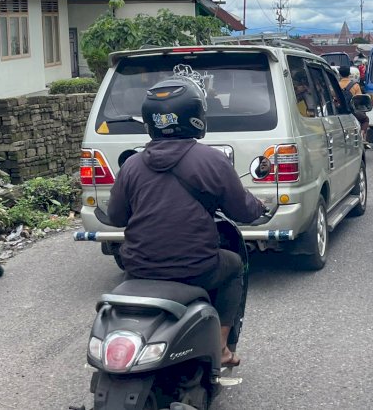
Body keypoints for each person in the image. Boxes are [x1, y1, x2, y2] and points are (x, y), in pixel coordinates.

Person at [106, 76, 266, 368]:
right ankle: (221, 348)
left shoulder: (131, 165)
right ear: (195, 116)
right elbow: (243, 211)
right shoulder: (212, 160)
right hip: (196, 268)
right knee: (232, 267)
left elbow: (116, 217)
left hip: (138, 268)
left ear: (149, 121)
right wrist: (260, 207)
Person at [338, 65, 370, 143]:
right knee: (365, 119)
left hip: (339, 111)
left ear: (339, 74)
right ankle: (362, 136)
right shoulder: (355, 85)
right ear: (349, 74)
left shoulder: (336, 85)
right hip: (352, 111)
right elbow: (359, 99)